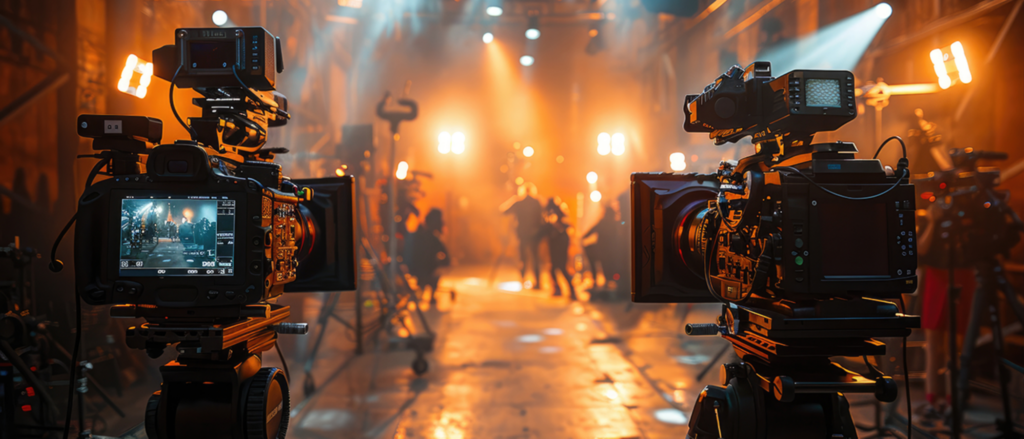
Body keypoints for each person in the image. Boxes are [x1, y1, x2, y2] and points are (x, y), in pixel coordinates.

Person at [404, 208, 450, 304]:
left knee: (428, 271)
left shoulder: (418, 234)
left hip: (415, 270)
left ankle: (422, 288)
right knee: (435, 272)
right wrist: (442, 261)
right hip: (426, 271)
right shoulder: (434, 239)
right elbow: (446, 257)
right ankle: (431, 293)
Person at [503, 183, 543, 289]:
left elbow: (504, 211)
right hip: (535, 234)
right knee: (535, 258)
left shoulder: (519, 202)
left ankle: (523, 280)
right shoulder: (536, 202)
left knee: (523, 258)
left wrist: (513, 199)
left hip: (522, 234)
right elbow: (543, 215)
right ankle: (538, 282)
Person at [539, 198, 576, 300]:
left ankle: (570, 291)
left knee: (560, 268)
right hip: (557, 245)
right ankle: (561, 290)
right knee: (556, 268)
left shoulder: (556, 217)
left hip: (558, 246)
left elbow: (546, 230)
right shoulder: (559, 215)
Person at [583, 204, 617, 286]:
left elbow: (591, 231)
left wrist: (583, 237)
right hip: (611, 249)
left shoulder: (602, 222)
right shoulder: (614, 224)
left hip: (602, 249)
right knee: (608, 265)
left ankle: (599, 281)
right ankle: (609, 281)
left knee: (602, 264)